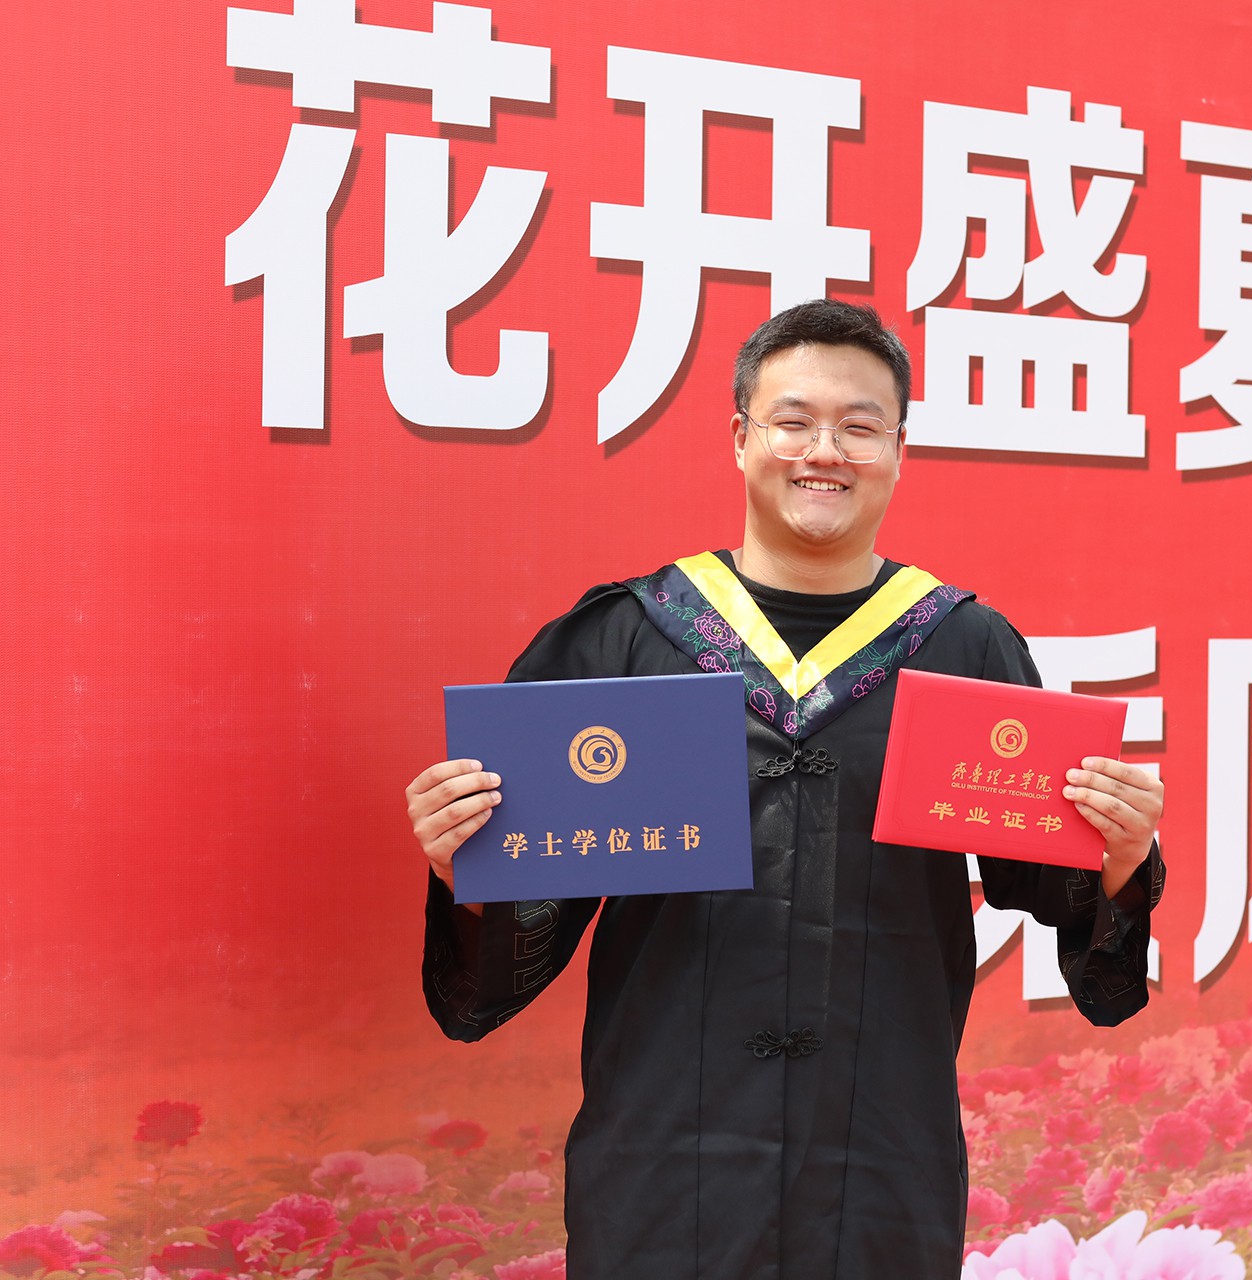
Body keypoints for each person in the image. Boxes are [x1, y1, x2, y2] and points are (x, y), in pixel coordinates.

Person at [405, 299, 1166, 1279]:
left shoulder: (965, 647)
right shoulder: (624, 637)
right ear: (741, 438)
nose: (825, 451)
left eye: (860, 427)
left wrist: (1119, 858)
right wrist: (465, 863)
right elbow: (504, 952)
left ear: (898, 450)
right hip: (663, 1162)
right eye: (793, 421)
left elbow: (1062, 903)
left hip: (880, 1156)